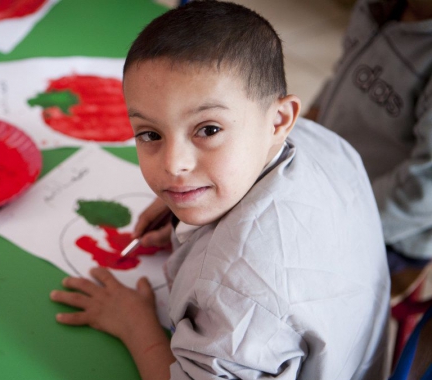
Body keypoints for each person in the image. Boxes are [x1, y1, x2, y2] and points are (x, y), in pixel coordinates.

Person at [50, 1, 391, 379]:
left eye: (208, 130)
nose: (173, 164)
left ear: (279, 119)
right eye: (151, 134)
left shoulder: (234, 291)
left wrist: (134, 323)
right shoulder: (319, 139)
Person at [306, 0, 432, 271]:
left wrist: (343, 221)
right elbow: (343, 74)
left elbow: (424, 188)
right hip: (327, 191)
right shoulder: (375, 7)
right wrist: (301, 131)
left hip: (384, 233)